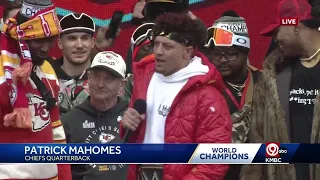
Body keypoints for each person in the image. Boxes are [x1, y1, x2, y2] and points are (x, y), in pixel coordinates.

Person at [120, 12, 232, 180]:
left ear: (187, 52)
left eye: (167, 46)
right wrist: (127, 123)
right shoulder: (143, 78)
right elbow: (133, 136)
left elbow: (215, 159)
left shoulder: (207, 95)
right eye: (156, 44)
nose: (158, 52)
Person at [240, 0, 320, 180]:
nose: (275, 39)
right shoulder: (272, 76)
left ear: (295, 26)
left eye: (277, 31)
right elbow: (258, 139)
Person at [0, 0, 71, 179]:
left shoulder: (47, 68)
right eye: (39, 40)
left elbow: (57, 133)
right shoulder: (2, 68)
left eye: (51, 40)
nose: (46, 48)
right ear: (21, 37)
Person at [203, 10, 261, 180]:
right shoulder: (205, 86)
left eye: (230, 53)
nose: (221, 60)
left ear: (245, 52)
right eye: (216, 53)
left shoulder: (265, 83)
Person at [62, 51, 128, 180]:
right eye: (96, 77)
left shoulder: (133, 117)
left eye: (108, 79)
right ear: (89, 78)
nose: (100, 84)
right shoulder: (69, 121)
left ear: (122, 84)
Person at [50, 12, 117, 116]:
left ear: (93, 42)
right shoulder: (47, 77)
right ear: (60, 43)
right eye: (72, 38)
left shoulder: (106, 80)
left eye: (85, 38)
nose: (79, 45)